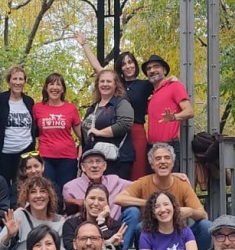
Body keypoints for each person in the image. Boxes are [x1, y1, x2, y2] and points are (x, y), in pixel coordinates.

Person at [75, 32, 153, 179]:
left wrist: (171, 79)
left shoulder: (145, 85)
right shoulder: (114, 83)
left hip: (135, 129)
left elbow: (160, 85)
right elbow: (98, 67)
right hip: (112, 134)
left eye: (130, 62)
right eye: (124, 63)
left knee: (137, 172)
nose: (128, 66)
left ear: (135, 64)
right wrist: (84, 44)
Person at [115, 142, 212, 250]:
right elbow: (118, 198)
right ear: (152, 164)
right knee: (140, 227)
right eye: (158, 159)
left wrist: (190, 211)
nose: (163, 161)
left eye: (167, 158)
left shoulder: (182, 184)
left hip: (178, 235)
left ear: (172, 163)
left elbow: (203, 215)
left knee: (205, 225)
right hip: (152, 235)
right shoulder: (144, 182)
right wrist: (149, 203)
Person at [0, 177, 66, 250]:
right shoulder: (19, 215)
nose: (38, 196)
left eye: (43, 191)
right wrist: (8, 236)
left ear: (49, 195)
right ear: (27, 197)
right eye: (33, 192)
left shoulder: (60, 222)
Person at [141, 55, 194, 171]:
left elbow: (189, 111)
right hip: (151, 148)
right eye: (149, 68)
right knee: (153, 187)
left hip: (169, 146)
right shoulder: (151, 96)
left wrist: (174, 117)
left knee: (170, 186)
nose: (152, 70)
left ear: (164, 70)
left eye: (156, 67)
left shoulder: (175, 86)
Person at [33, 73, 82, 196]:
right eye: (51, 84)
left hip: (68, 158)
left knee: (66, 192)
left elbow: (82, 135)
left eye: (58, 84)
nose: (54, 87)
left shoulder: (71, 108)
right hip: (45, 157)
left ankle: (65, 215)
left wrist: (81, 153)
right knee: (48, 192)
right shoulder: (37, 108)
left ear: (63, 89)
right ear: (46, 88)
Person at [81, 69, 135, 179]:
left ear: (116, 84)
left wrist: (100, 133)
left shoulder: (121, 102)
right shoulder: (92, 108)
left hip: (118, 159)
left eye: (109, 81)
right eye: (102, 81)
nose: (105, 84)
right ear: (97, 85)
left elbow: (125, 123)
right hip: (95, 160)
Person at [62, 148, 132, 218]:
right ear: (83, 167)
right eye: (90, 162)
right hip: (85, 226)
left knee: (133, 211)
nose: (95, 166)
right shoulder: (70, 187)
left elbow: (138, 185)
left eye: (98, 161)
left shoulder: (115, 181)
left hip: (113, 226)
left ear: (104, 166)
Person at [0, 66, 37, 185]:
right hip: (5, 151)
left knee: (23, 186)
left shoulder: (29, 101)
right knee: (3, 185)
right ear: (9, 81)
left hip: (25, 151)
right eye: (14, 79)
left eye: (21, 79)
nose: (18, 82)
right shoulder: (0, 99)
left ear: (25, 81)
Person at [62, 184, 126, 250]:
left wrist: (101, 222)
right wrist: (109, 242)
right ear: (85, 201)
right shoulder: (71, 224)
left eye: (101, 200)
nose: (96, 203)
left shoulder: (116, 226)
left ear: (107, 204)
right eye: (92, 198)